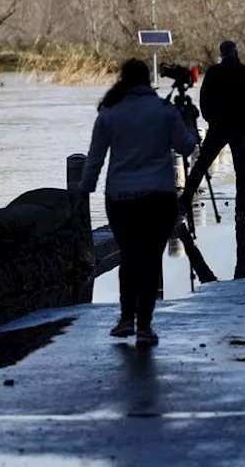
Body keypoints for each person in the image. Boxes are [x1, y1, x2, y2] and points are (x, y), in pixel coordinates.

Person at [77, 59, 198, 346]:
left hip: (120, 197)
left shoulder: (109, 113)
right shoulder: (165, 112)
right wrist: (189, 122)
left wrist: (84, 190)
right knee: (151, 258)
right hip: (158, 196)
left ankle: (125, 318)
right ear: (148, 80)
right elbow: (186, 145)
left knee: (129, 257)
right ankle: (144, 325)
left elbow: (95, 159)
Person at [182, 40, 245, 217]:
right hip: (240, 126)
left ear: (221, 53)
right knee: (241, 167)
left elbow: (204, 99)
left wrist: (210, 119)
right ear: (235, 52)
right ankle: (241, 207)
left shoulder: (214, 72)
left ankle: (185, 200)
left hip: (218, 126)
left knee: (202, 164)